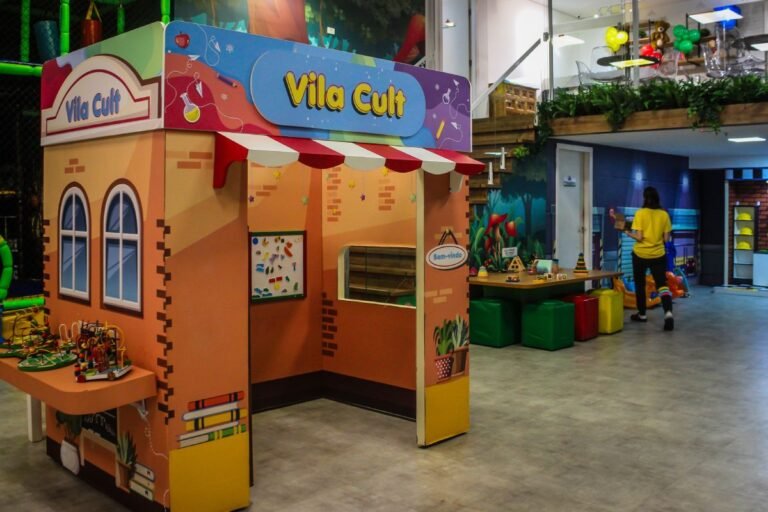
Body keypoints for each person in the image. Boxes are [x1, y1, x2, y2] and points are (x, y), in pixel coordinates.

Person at [624, 187, 674, 331]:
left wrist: (628, 233)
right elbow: (666, 239)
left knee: (640, 285)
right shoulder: (664, 215)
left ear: (645, 198)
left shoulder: (640, 213)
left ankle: (642, 314)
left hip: (640, 255)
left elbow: (639, 237)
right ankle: (668, 313)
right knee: (662, 284)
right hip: (658, 255)